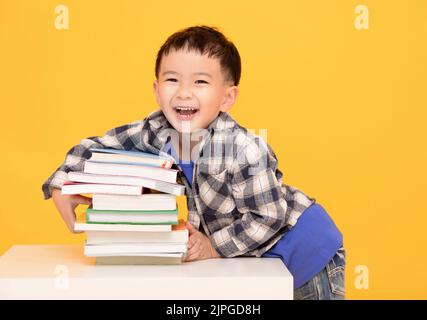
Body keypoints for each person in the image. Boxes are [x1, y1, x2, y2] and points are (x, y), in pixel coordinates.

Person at [42, 25, 345, 300]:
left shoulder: (244, 149)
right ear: (157, 90)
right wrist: (61, 184)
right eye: (172, 79)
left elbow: (268, 217)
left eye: (200, 81)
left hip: (304, 249)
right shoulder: (153, 131)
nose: (184, 92)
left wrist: (212, 246)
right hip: (253, 260)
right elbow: (94, 147)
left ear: (227, 98)